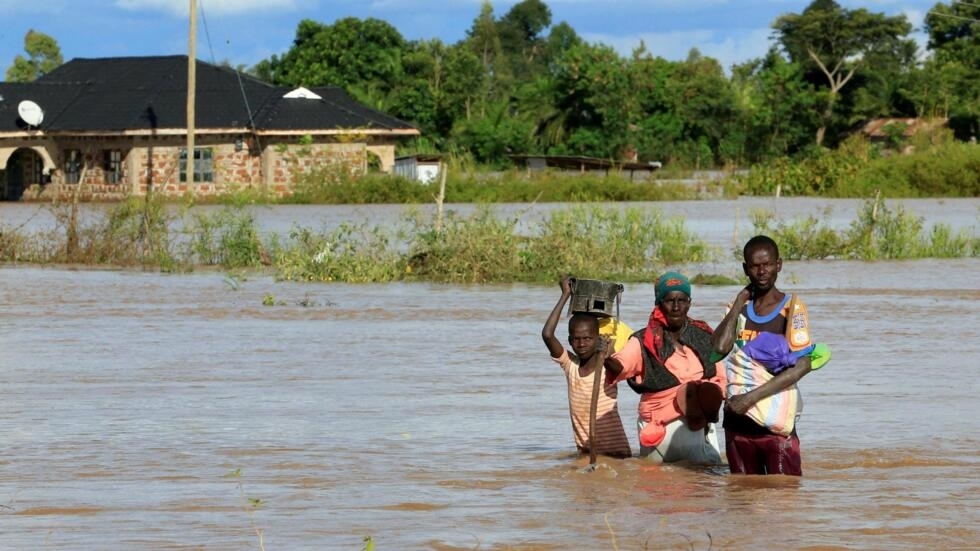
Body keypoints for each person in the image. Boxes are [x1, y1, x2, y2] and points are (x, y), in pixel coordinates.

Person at [711, 234, 815, 476]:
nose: (762, 271)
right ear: (746, 269)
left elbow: (801, 366)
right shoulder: (738, 308)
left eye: (767, 264)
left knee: (782, 500)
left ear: (778, 264)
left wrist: (749, 399)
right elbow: (718, 349)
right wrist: (738, 304)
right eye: (755, 266)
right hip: (737, 424)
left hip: (774, 426)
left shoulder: (792, 308)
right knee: (742, 500)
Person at [603, 271, 725, 464]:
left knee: (706, 484)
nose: (676, 307)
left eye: (682, 300)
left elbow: (720, 379)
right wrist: (605, 356)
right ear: (659, 304)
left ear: (689, 303)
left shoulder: (703, 335)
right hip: (658, 428)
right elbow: (621, 365)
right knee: (658, 485)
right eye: (669, 301)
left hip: (700, 425)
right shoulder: (642, 340)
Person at [542, 276, 632, 459]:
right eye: (576, 339)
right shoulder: (571, 366)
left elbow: (621, 367)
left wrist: (607, 355)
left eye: (587, 339)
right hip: (586, 453)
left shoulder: (607, 366)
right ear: (570, 341)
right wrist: (565, 295)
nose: (581, 344)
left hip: (618, 454)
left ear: (598, 339)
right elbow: (547, 335)